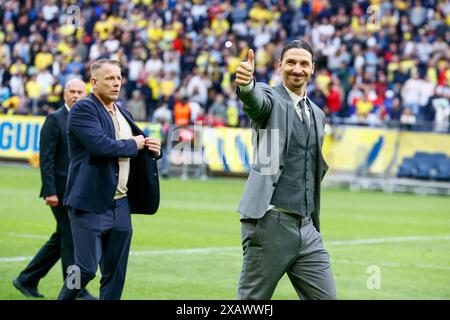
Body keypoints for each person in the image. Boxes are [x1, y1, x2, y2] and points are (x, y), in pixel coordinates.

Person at [234, 40, 337, 300]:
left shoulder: (317, 114)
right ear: (280, 65)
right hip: (270, 224)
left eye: (304, 63)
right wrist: (247, 85)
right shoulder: (271, 98)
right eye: (291, 62)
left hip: (307, 228)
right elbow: (255, 101)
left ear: (313, 69)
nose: (297, 69)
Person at [57, 59, 161, 300]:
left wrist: (153, 147)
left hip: (120, 204)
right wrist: (135, 144)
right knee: (84, 270)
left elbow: (138, 144)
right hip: (89, 203)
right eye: (110, 78)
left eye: (119, 78)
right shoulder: (83, 109)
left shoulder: (123, 111)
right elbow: (100, 146)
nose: (116, 83)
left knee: (116, 273)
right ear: (94, 82)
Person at [12, 79, 96, 300]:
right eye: (72, 91)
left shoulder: (86, 120)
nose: (76, 95)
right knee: (72, 240)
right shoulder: (54, 119)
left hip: (78, 191)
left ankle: (26, 279)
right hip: (59, 192)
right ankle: (76, 291)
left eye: (80, 92)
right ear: (64, 94)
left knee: (62, 238)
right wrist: (50, 191)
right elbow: (46, 160)